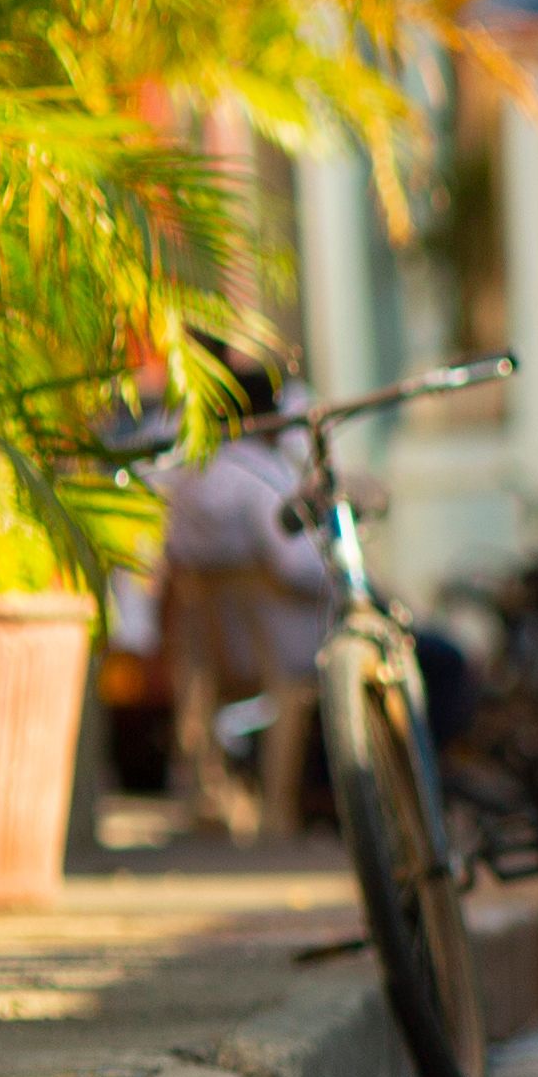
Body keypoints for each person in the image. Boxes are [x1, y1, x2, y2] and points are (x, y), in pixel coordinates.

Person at [154, 356, 332, 839]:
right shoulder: (262, 478)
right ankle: (283, 808)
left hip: (212, 646)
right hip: (273, 650)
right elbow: (298, 567)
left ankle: (210, 796)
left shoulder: (187, 474)